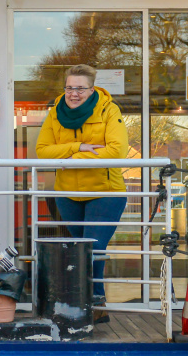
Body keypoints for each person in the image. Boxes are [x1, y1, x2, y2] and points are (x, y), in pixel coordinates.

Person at [35, 64, 129, 321]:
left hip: (105, 192)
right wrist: (80, 147)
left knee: (94, 248)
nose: (73, 94)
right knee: (79, 250)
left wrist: (69, 155)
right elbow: (42, 150)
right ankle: (91, 306)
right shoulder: (56, 112)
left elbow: (117, 151)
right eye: (69, 87)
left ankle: (93, 305)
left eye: (79, 88)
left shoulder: (109, 110)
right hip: (67, 193)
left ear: (92, 88)